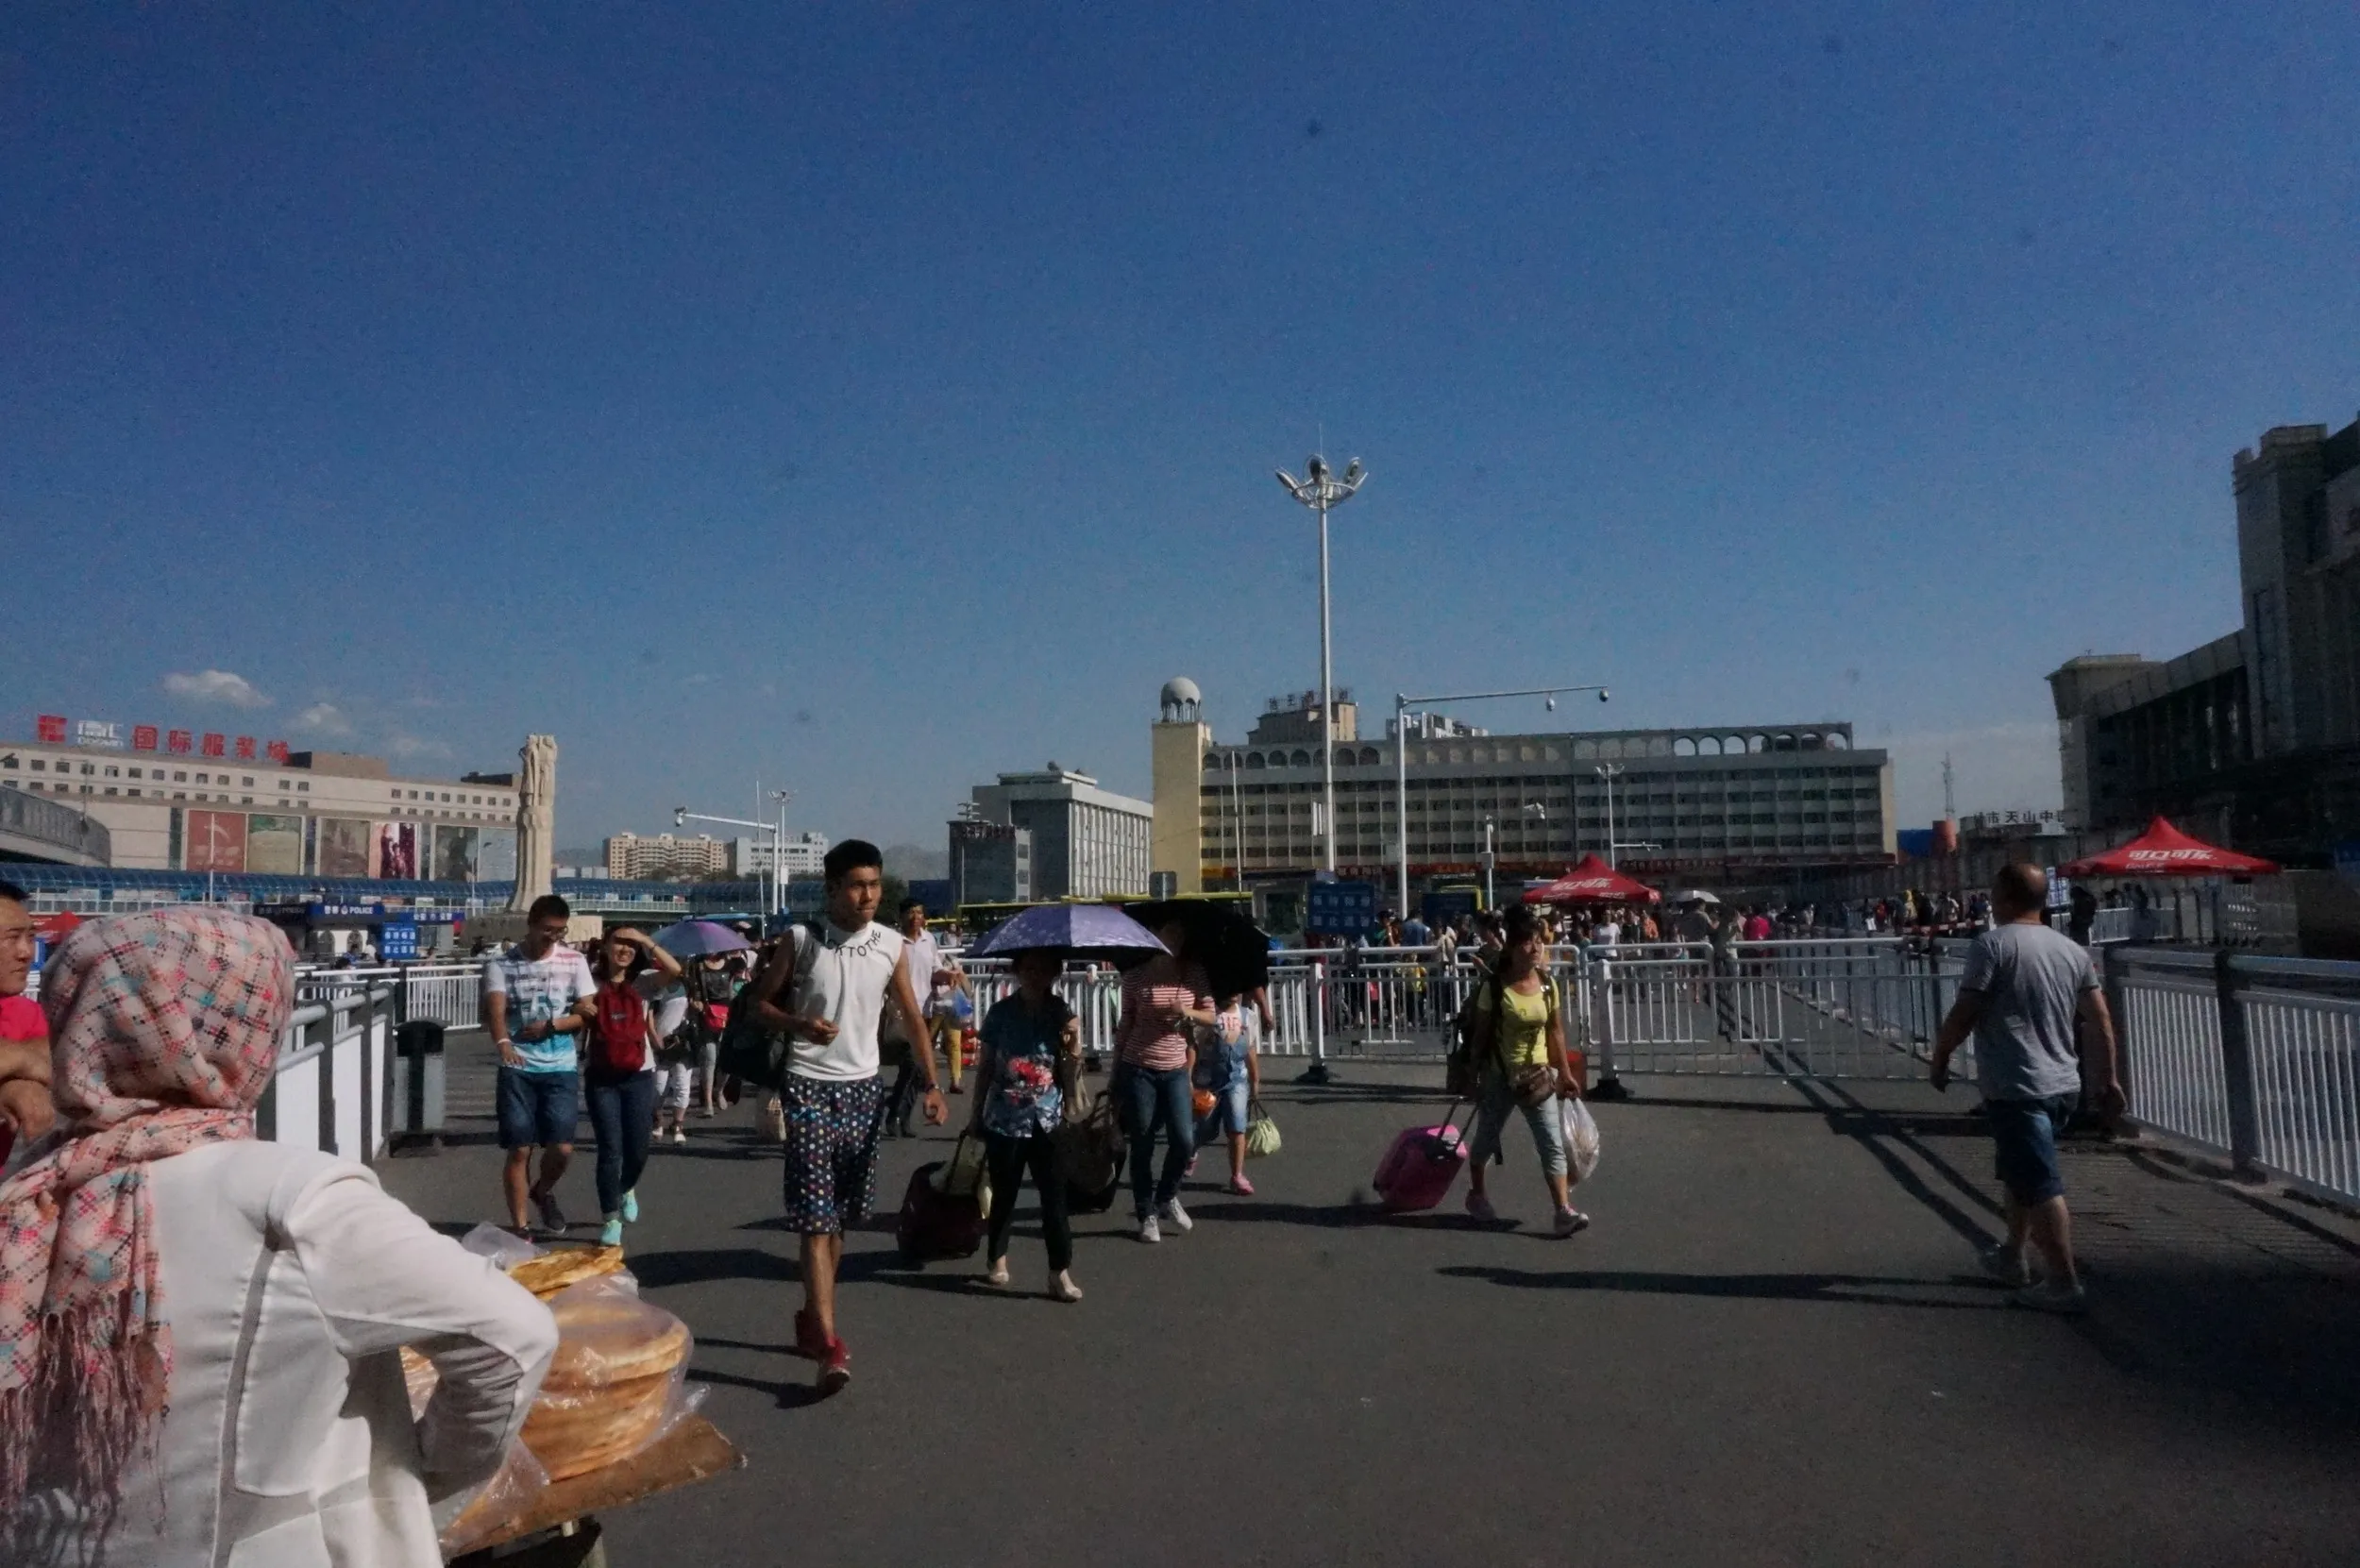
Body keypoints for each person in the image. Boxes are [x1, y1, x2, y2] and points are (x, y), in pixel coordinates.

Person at [0, 907, 557, 1568]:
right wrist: (420, 1472)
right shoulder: (292, 1199)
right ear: (237, 1030)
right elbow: (512, 1336)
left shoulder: (31, 1192)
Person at [745, 840, 945, 1393]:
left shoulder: (890, 944)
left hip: (864, 1092)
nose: (868, 896)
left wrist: (931, 1083)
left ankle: (813, 1315)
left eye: (875, 885)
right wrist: (798, 1025)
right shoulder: (801, 940)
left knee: (840, 1220)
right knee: (814, 1220)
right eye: (857, 886)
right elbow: (759, 1005)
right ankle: (831, 1344)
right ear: (831, 889)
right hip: (808, 1088)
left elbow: (912, 1013)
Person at [1930, 863, 2124, 1314]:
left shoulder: (1992, 946)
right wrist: (2108, 1078)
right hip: (2063, 1082)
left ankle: (2063, 1279)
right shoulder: (2070, 950)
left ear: (2002, 899)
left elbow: (1966, 1012)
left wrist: (1940, 1058)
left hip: (2018, 1083)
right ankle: (2012, 1256)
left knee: (2039, 1183)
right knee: (2021, 1171)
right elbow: (2101, 1020)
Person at [1462, 903, 1589, 1236]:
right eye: (1528, 943)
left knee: (1550, 1142)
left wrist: (1565, 1072)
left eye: (1539, 942)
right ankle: (1477, 1193)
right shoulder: (1495, 988)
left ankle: (1563, 1210)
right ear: (1513, 947)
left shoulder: (1548, 985)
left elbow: (1556, 1031)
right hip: (1500, 1075)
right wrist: (1472, 1076)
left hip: (1537, 1077)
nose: (1536, 949)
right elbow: (1480, 1036)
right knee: (1486, 1139)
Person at [970, 947, 1083, 1302]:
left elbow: (1071, 1071)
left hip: (1048, 1117)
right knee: (1005, 1193)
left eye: (1044, 969)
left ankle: (1059, 1271)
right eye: (1029, 968)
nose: (1036, 975)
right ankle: (997, 1256)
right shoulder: (1001, 1013)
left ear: (1055, 973)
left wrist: (1073, 1043)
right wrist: (975, 1115)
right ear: (1018, 971)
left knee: (1055, 1198)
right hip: (1005, 1117)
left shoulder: (1060, 1013)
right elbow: (986, 1066)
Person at [482, 894, 598, 1235]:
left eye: (560, 931)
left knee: (561, 1148)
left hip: (560, 1063)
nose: (554, 937)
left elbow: (586, 1013)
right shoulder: (501, 965)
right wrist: (503, 1043)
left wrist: (552, 1026)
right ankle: (521, 1227)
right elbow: (496, 1012)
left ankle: (542, 1190)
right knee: (520, 1148)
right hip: (518, 1065)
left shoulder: (574, 961)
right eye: (548, 930)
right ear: (531, 923)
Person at [1111, 915, 1215, 1243]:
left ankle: (1167, 1196)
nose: (1175, 941)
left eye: (1180, 936)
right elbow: (1125, 1025)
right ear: (1152, 935)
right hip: (1139, 1065)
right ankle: (1147, 1213)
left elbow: (1211, 1015)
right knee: (1141, 1139)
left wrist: (1187, 1014)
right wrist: (1115, 1073)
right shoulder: (1135, 976)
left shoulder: (1193, 973)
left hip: (1176, 1067)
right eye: (1169, 934)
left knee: (1184, 1139)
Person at [581, 927, 683, 1245]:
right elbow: (572, 1012)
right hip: (601, 1075)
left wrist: (645, 941)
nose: (624, 949)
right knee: (610, 1149)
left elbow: (676, 970)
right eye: (618, 943)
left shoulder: (645, 982)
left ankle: (626, 1187)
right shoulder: (589, 983)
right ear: (606, 947)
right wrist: (579, 1010)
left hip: (639, 1074)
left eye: (630, 945)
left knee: (637, 1148)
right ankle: (610, 1217)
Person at [885, 899, 969, 1137]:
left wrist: (949, 976)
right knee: (912, 1063)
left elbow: (934, 971)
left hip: (925, 1011)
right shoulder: (893, 942)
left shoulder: (929, 940)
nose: (915, 917)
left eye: (919, 913)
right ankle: (895, 1112)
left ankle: (901, 1116)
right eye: (910, 913)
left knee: (916, 1069)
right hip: (901, 1012)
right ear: (901, 917)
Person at [0, 882, 56, 1174]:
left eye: (30, 937)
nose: (26, 953)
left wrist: (13, 1064)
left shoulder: (24, 1011)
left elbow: (64, 1060)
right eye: (11, 938)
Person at [1192, 989, 1263, 1196]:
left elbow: (1249, 1049)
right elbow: (1194, 1048)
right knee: (1204, 1126)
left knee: (1236, 1127)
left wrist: (1255, 1079)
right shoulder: (1208, 1016)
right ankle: (1191, 1152)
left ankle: (1237, 1175)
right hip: (1209, 1079)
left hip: (1237, 1078)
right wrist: (1190, 1077)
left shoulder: (1247, 1016)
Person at [2067, 883, 2099, 947]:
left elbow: (2079, 913)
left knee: (2081, 940)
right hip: (2084, 923)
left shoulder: (2081, 901)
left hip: (2080, 924)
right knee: (2084, 939)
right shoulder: (2087, 899)